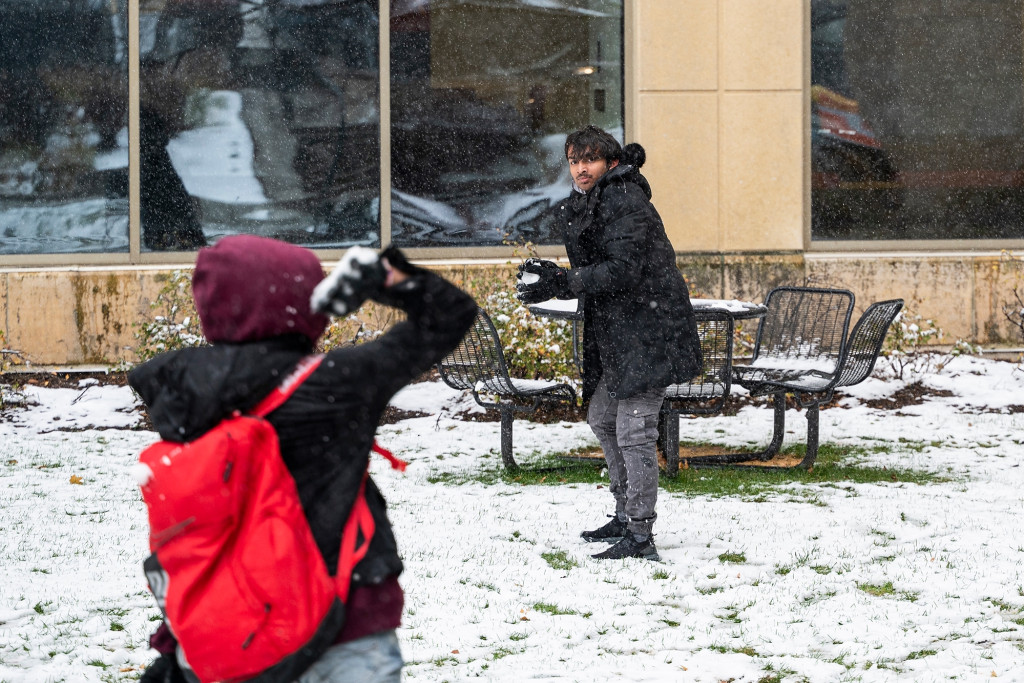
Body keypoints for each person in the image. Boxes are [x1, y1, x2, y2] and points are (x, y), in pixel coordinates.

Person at [130, 234, 477, 683]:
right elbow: (450, 315)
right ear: (305, 302)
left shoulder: (183, 396)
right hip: (345, 625)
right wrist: (385, 277)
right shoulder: (339, 383)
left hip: (241, 631)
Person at [516, 125, 702, 562]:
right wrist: (558, 276)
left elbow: (622, 269)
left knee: (635, 432)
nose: (581, 168)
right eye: (574, 160)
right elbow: (600, 263)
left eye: (590, 160)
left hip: (650, 331)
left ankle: (640, 534)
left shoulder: (625, 199)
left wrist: (565, 282)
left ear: (610, 162)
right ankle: (624, 513)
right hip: (623, 333)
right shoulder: (592, 200)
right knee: (602, 416)